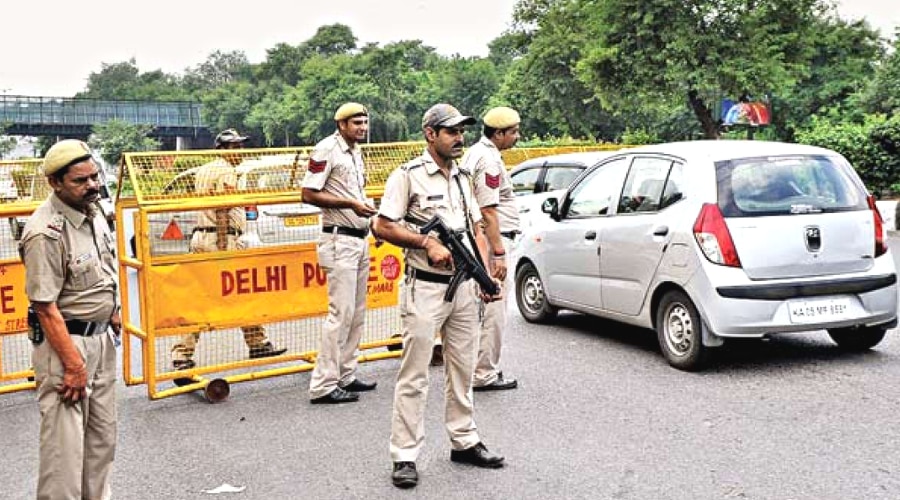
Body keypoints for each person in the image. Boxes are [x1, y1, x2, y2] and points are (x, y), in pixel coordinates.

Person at [373, 103, 506, 489]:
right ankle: (404, 455)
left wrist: (484, 273)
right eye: (451, 132)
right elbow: (383, 225)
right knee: (414, 374)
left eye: (462, 131)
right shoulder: (407, 176)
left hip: (464, 286)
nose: (459, 138)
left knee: (462, 368)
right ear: (430, 134)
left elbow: (475, 227)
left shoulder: (464, 176)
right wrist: (425, 242)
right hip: (426, 286)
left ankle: (464, 440)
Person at [19, 139, 121, 500]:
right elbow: (45, 307)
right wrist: (74, 366)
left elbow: (104, 271)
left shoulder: (93, 213)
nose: (92, 185)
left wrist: (114, 314)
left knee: (101, 441)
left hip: (100, 340)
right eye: (81, 180)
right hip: (66, 347)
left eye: (94, 176)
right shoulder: (45, 233)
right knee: (65, 453)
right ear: (56, 184)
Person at [170, 129, 286, 373]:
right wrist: (223, 249)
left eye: (240, 146)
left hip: (201, 235)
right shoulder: (225, 171)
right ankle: (183, 353)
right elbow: (222, 209)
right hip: (219, 240)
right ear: (222, 149)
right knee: (232, 292)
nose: (239, 152)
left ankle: (256, 342)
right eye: (234, 147)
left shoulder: (205, 169)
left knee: (220, 294)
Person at [302, 103, 379, 404]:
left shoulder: (355, 151)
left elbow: (358, 194)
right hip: (339, 241)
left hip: (359, 239)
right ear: (341, 125)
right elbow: (308, 194)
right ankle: (323, 385)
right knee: (340, 314)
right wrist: (350, 206)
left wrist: (371, 223)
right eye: (356, 123)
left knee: (357, 314)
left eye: (365, 122)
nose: (362, 127)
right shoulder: (326, 150)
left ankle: (345, 374)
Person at [461, 106, 522, 391]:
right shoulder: (488, 161)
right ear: (498, 133)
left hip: (481, 240)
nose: (517, 137)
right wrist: (498, 253)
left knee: (480, 307)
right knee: (495, 307)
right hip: (493, 241)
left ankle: (475, 368)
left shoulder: (478, 153)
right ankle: (484, 372)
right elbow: (488, 211)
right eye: (513, 132)